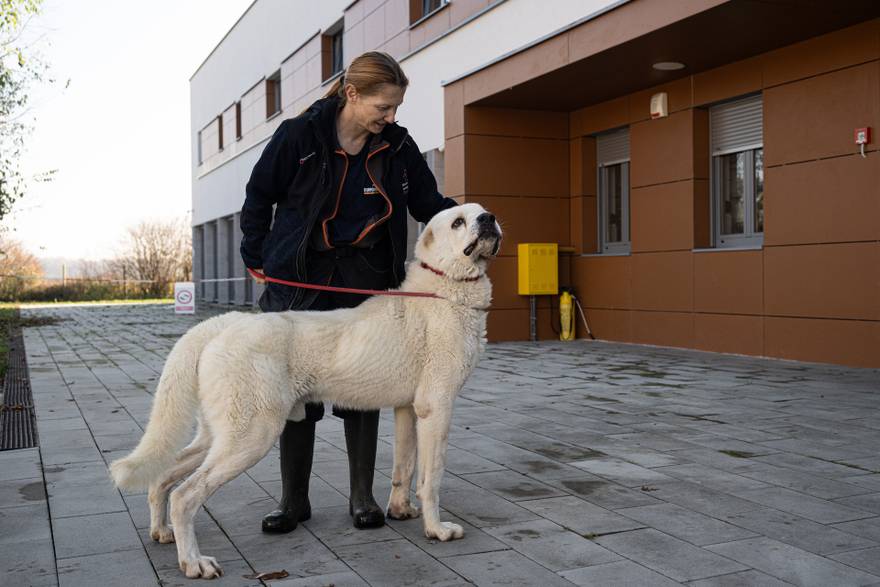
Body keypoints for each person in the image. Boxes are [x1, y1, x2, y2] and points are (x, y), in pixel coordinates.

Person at [239, 51, 458, 532]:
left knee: (366, 384)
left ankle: (363, 497)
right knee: (296, 391)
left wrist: (472, 223)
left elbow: (430, 205)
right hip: (301, 279)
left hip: (365, 280)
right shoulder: (299, 136)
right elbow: (258, 195)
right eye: (384, 107)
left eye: (397, 107)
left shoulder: (397, 148)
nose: (391, 117)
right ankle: (293, 501)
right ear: (352, 94)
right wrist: (253, 255)